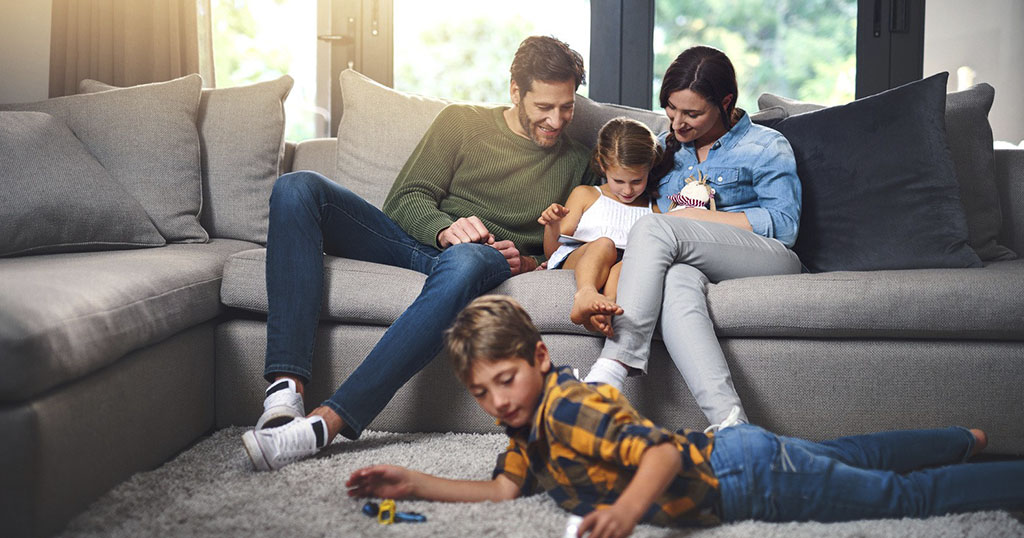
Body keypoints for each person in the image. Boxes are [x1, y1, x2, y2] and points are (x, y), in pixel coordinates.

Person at [347, 295, 1022, 538]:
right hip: (739, 453)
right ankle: (960, 438)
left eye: (506, 380)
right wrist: (414, 482)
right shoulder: (522, 425)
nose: (498, 401)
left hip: (745, 483)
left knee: (901, 500)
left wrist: (628, 512)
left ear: (540, 357)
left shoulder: (574, 408)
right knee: (846, 457)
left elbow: (660, 457)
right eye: (483, 393)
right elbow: (502, 489)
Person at [242, 36, 597, 471]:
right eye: (544, 107)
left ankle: (325, 424)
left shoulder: (580, 161)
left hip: (480, 261)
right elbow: (406, 198)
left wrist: (528, 262)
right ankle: (284, 394)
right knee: (298, 187)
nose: (556, 120)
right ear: (515, 91)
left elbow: (579, 244)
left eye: (567, 107)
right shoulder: (461, 123)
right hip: (415, 242)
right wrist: (445, 229)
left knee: (469, 259)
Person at [581, 46, 803, 427]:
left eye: (692, 113)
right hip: (687, 260)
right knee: (677, 279)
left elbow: (784, 225)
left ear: (726, 102)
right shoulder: (666, 149)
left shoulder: (765, 145)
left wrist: (694, 218)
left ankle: (614, 366)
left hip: (767, 256)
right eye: (671, 108)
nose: (677, 123)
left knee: (655, 227)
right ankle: (734, 428)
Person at [537, 117, 661, 331]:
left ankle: (606, 307)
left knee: (631, 261)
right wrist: (552, 225)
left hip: (625, 264)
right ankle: (586, 294)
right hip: (583, 257)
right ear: (603, 166)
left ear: (649, 168)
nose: (628, 191)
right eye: (619, 181)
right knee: (605, 244)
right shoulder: (586, 195)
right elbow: (553, 252)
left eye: (637, 181)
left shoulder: (654, 209)